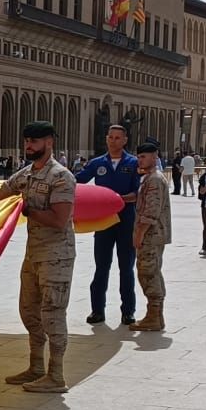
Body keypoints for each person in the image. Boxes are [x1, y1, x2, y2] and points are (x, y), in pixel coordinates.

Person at [0, 121, 76, 393]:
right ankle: (36, 367)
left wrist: (29, 210)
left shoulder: (61, 176)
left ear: (49, 143)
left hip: (57, 256)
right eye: (27, 141)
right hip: (34, 255)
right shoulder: (27, 175)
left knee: (52, 314)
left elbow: (59, 219)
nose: (29, 146)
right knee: (28, 311)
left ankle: (56, 375)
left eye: (35, 141)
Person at [75, 124, 139, 328]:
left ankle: (128, 312)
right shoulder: (97, 163)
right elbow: (77, 181)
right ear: (106, 139)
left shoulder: (133, 163)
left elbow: (138, 193)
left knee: (126, 268)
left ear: (125, 140)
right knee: (101, 266)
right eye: (110, 137)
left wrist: (118, 199)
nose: (114, 141)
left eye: (118, 138)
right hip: (103, 221)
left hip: (126, 221)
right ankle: (97, 310)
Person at [129, 142, 171, 331]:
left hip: (151, 236)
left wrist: (139, 233)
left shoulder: (153, 179)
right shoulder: (150, 178)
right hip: (155, 235)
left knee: (148, 273)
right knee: (152, 272)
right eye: (139, 157)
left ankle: (154, 316)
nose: (140, 159)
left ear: (155, 157)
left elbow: (151, 211)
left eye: (144, 156)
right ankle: (156, 316)